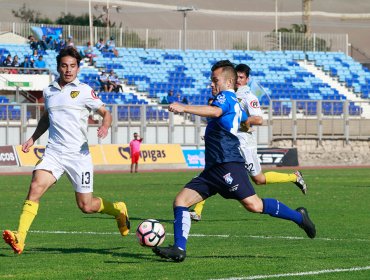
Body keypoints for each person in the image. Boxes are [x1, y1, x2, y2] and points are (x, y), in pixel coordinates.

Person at [152, 60, 316, 262]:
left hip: (228, 164)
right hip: (213, 168)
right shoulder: (230, 100)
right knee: (181, 201)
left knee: (254, 205)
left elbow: (216, 112)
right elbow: (229, 117)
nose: (211, 84)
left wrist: (184, 108)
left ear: (228, 82)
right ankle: (179, 249)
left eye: (215, 80)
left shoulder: (227, 97)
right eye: (211, 81)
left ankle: (299, 217)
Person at [2, 47, 130, 255]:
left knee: (86, 206)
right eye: (64, 66)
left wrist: (105, 125)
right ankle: (20, 238)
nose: (68, 70)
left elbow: (106, 112)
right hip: (53, 152)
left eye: (72, 66)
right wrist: (33, 138)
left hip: (78, 156)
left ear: (78, 68)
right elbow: (46, 118)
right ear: (58, 67)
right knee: (35, 187)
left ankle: (118, 209)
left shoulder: (85, 91)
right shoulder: (49, 91)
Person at [189, 63, 308, 221]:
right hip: (230, 146)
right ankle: (197, 210)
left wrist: (240, 120)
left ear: (247, 79)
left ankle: (294, 177)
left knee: (259, 179)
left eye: (242, 77)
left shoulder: (249, 97)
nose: (238, 80)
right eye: (236, 77)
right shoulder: (228, 95)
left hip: (245, 145)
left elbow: (259, 119)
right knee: (214, 170)